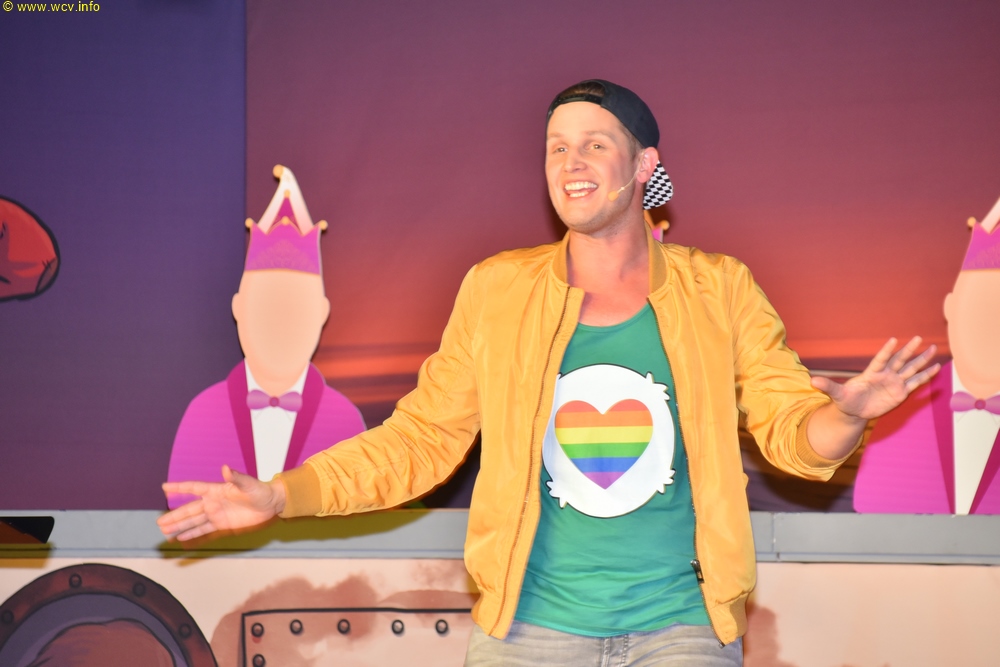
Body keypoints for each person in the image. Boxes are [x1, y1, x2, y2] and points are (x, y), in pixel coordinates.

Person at [159, 80, 938, 665]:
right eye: (556, 146)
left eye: (595, 143)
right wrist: (282, 493)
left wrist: (849, 413)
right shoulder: (498, 290)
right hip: (529, 629)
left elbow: (792, 433)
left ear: (644, 164)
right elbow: (420, 442)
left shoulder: (720, 289)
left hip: (683, 628)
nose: (571, 161)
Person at [165, 166, 365, 509]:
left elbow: (361, 508)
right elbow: (183, 506)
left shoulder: (345, 421)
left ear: (321, 312)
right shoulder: (202, 415)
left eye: (295, 307)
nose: (280, 324)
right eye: (266, 306)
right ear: (239, 307)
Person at [854, 210, 1000, 514]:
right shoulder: (903, 406)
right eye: (980, 307)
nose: (990, 325)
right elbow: (869, 505)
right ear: (951, 307)